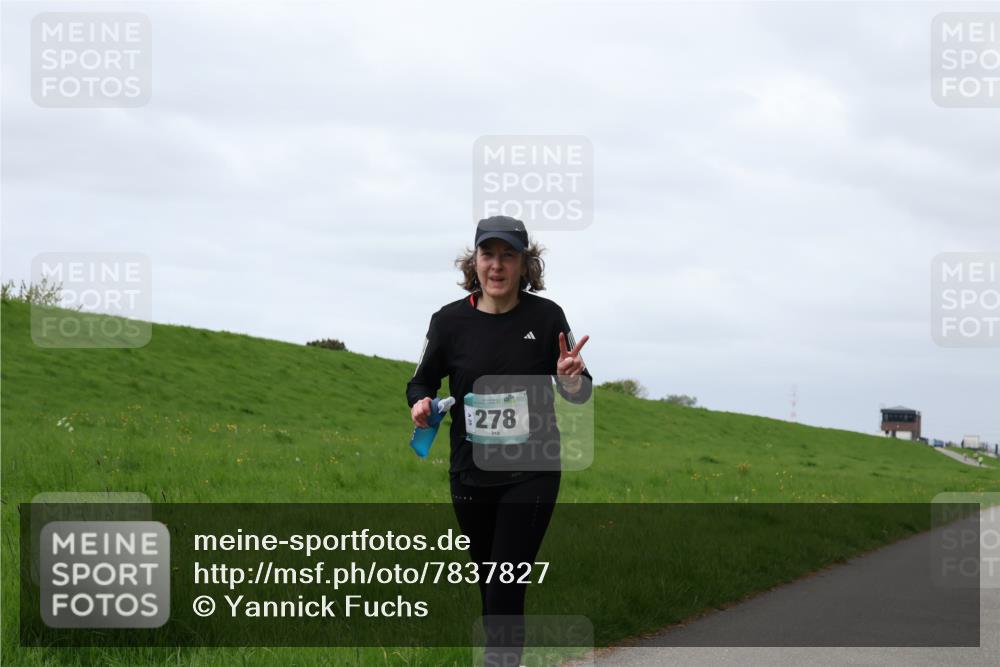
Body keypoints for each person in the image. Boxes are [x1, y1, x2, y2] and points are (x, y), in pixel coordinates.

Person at [406, 215, 593, 666]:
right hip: (470, 470)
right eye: (488, 255)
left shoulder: (547, 318)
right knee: (489, 578)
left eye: (508, 255)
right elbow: (421, 381)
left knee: (506, 578)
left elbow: (580, 390)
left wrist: (569, 377)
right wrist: (421, 402)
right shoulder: (448, 321)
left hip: (532, 471)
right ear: (475, 262)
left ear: (525, 265)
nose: (497, 265)